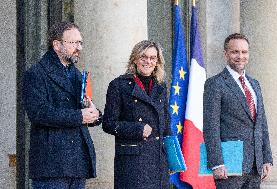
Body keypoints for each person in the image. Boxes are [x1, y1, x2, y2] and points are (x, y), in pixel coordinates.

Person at [22, 21, 102, 189]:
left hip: (77, 161)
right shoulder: (36, 73)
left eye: (80, 42)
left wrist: (94, 114)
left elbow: (83, 108)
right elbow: (38, 113)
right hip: (52, 163)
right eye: (74, 43)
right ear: (57, 45)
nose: (79, 47)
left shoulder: (77, 74)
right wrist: (79, 116)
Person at [203, 33, 273, 189]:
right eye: (235, 52)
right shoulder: (215, 84)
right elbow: (211, 126)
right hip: (229, 166)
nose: (240, 56)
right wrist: (216, 163)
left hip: (255, 166)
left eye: (244, 52)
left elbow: (262, 124)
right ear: (226, 54)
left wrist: (267, 158)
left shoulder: (254, 84)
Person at [102, 40, 172, 189]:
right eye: (143, 57)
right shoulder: (118, 85)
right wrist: (137, 129)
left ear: (158, 61)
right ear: (135, 59)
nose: (148, 61)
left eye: (153, 58)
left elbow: (166, 124)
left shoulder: (161, 86)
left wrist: (171, 157)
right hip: (133, 163)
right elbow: (108, 123)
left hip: (159, 161)